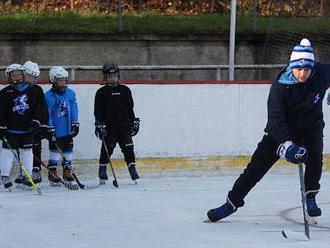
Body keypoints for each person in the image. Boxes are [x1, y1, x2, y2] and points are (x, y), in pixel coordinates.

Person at [207, 38, 329, 222]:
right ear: (291, 66)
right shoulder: (280, 87)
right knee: (255, 168)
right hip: (280, 131)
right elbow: (275, 121)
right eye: (299, 69)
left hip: (311, 126)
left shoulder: (321, 72)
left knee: (315, 157)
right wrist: (288, 146)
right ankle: (231, 203)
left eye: (307, 69)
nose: (303, 73)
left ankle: (310, 196)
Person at [0, 63, 48, 190]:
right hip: (10, 129)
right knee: (7, 152)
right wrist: (1, 126)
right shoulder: (5, 92)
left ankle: (28, 176)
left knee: (27, 152)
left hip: (27, 129)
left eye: (19, 74)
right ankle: (4, 175)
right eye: (13, 75)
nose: (17, 77)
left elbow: (39, 108)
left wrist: (37, 121)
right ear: (9, 77)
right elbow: (2, 111)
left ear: (23, 74)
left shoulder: (34, 90)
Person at [94, 63, 140, 184]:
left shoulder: (125, 90)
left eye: (114, 75)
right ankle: (102, 169)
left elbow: (130, 108)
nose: (112, 78)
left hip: (124, 126)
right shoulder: (101, 92)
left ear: (118, 76)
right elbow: (97, 111)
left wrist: (134, 120)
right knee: (108, 148)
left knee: (128, 147)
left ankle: (132, 168)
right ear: (105, 77)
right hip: (109, 127)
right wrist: (99, 124)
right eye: (109, 76)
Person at [14, 61, 49, 184]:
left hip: (34, 125)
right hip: (19, 126)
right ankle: (23, 171)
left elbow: (42, 108)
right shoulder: (17, 89)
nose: (33, 79)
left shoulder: (37, 90)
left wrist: (42, 124)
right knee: (21, 149)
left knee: (36, 147)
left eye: (35, 77)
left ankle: (35, 170)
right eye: (30, 76)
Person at [44, 66, 79, 186]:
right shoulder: (48, 96)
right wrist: (50, 126)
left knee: (68, 149)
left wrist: (75, 122)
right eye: (60, 80)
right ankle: (52, 171)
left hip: (67, 128)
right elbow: (47, 113)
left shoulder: (70, 93)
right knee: (55, 151)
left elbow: (74, 109)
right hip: (56, 129)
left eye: (65, 80)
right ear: (53, 80)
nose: (63, 83)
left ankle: (67, 171)